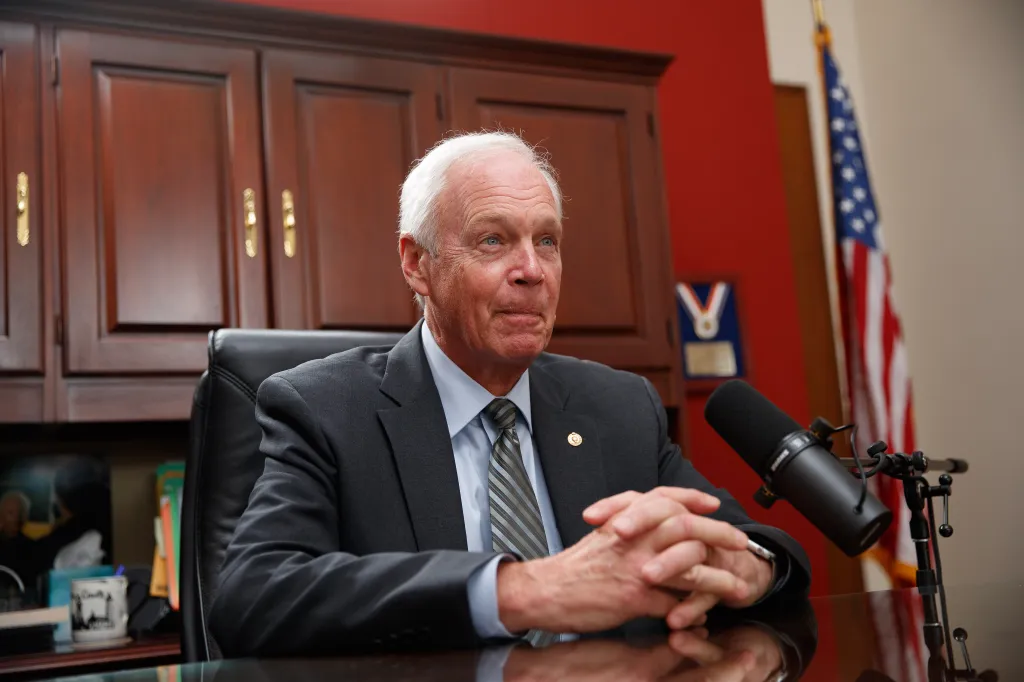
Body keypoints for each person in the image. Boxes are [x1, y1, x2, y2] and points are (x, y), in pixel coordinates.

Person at [209, 131, 810, 657]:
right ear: (417, 264)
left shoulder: (617, 406)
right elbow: (252, 598)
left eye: (546, 241)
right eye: (493, 241)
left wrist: (745, 569)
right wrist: (522, 590)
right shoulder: (325, 409)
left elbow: (761, 545)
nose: (532, 270)